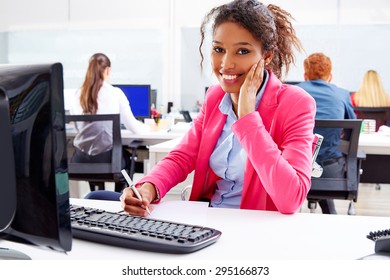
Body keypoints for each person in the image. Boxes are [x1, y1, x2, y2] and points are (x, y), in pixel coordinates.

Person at [117, 0, 316, 216]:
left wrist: (248, 118)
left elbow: (291, 198)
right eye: (219, 49)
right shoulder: (215, 97)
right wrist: (149, 187)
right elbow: (183, 157)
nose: (226, 64)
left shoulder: (295, 104)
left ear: (266, 56)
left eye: (242, 51)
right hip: (211, 221)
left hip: (258, 231)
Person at [70, 52, 150, 192]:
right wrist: (150, 128)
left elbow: (77, 127)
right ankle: (119, 198)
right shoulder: (115, 93)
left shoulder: (77, 95)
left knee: (108, 155)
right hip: (109, 162)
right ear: (107, 70)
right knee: (126, 158)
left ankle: (96, 194)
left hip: (81, 161)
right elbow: (134, 127)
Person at [297, 52, 356, 214]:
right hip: (332, 172)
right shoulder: (342, 94)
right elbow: (352, 127)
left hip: (297, 167)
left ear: (305, 75)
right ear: (330, 76)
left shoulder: (295, 92)